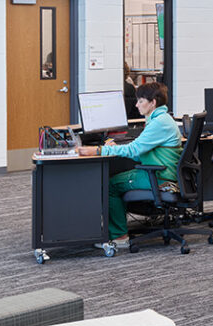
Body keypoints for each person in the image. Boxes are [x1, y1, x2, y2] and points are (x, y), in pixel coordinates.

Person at [77, 81, 181, 248]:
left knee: (110, 185)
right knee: (117, 177)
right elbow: (140, 150)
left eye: (140, 101)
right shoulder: (161, 119)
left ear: (152, 103)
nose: (136, 104)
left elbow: (134, 150)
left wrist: (99, 150)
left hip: (160, 177)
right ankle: (117, 229)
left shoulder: (159, 122)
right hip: (161, 172)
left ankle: (119, 236)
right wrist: (115, 149)